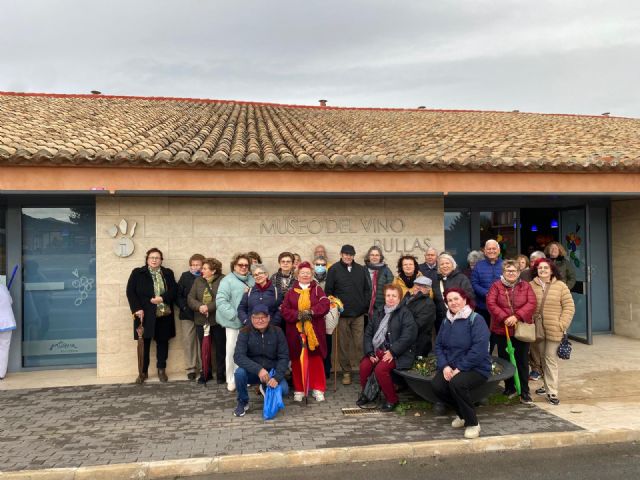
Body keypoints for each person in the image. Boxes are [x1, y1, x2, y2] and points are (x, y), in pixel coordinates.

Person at [432, 288, 491, 439]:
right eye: (449, 300)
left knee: (457, 383)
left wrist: (460, 368)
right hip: (452, 366)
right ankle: (462, 415)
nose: (453, 302)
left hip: (476, 367)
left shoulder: (476, 319)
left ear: (464, 300)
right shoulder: (446, 321)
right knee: (437, 386)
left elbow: (479, 349)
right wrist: (445, 366)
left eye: (456, 299)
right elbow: (438, 346)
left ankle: (473, 423)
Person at [357, 283, 417, 411]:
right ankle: (367, 394)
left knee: (381, 370)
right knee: (364, 366)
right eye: (388, 295)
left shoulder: (405, 313)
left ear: (399, 298)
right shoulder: (378, 312)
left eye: (394, 296)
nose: (390, 298)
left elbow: (408, 336)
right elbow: (368, 334)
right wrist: (370, 352)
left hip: (398, 353)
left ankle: (392, 399)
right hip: (377, 350)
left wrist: (392, 352)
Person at [486, 259, 537, 404]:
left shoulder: (526, 286)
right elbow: (491, 303)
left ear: (519, 272)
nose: (511, 273)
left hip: (521, 330)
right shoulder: (496, 286)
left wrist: (516, 316)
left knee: (522, 361)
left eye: (514, 271)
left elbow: (532, 303)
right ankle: (510, 388)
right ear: (503, 272)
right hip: (502, 330)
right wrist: (505, 318)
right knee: (505, 360)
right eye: (508, 270)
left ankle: (525, 391)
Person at [281, 261, 331, 401]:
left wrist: (311, 312)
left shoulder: (317, 290)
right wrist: (298, 315)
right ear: (298, 275)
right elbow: (284, 310)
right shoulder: (291, 292)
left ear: (312, 275)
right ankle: (299, 389)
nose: (305, 275)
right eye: (302, 273)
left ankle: (318, 388)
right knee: (297, 360)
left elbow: (325, 304)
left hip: (314, 331)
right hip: (295, 331)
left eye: (308, 273)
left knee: (315, 359)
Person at [126, 248, 177, 384]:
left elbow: (174, 290)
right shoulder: (137, 273)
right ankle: (143, 372)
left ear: (161, 260)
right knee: (144, 343)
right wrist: (136, 309)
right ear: (147, 259)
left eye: (157, 258)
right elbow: (130, 292)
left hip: (164, 313)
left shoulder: (168, 273)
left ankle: (161, 370)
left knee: (162, 342)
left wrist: (162, 298)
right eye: (151, 257)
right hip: (144, 314)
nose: (154, 260)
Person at [529, 258, 575, 405]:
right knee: (541, 358)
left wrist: (562, 324)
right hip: (537, 328)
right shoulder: (530, 286)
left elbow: (569, 307)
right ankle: (546, 385)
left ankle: (552, 392)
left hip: (554, 328)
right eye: (540, 268)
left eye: (546, 268)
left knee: (550, 358)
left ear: (551, 270)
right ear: (536, 270)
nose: (542, 270)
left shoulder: (561, 286)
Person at [325, 244, 371, 385]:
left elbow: (367, 289)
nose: (348, 256)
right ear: (341, 254)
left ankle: (365, 370)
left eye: (350, 254)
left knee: (360, 344)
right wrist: (335, 307)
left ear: (353, 255)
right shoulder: (333, 269)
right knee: (343, 345)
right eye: (346, 254)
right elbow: (328, 292)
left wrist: (364, 305)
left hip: (358, 315)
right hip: (342, 316)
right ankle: (346, 372)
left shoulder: (361, 270)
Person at [232, 304, 290, 417]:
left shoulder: (278, 332)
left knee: (284, 390)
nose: (260, 320)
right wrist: (258, 369)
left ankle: (265, 387)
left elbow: (284, 356)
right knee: (239, 373)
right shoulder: (244, 332)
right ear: (252, 318)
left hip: (272, 372)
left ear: (268, 318)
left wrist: (277, 377)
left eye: (263, 317)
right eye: (256, 317)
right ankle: (243, 401)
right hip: (253, 372)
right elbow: (238, 356)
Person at [215, 253, 255, 392]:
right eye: (240, 265)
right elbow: (221, 300)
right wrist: (234, 316)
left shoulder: (252, 279)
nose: (243, 267)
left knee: (246, 351)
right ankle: (231, 379)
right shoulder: (227, 280)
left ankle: (243, 378)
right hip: (233, 322)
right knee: (232, 350)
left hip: (248, 322)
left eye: (246, 265)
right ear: (234, 266)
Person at [188, 257, 225, 384]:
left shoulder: (223, 280)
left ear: (213, 271)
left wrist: (209, 307)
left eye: (204, 268)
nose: (201, 270)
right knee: (204, 348)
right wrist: (200, 307)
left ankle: (220, 374)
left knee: (220, 348)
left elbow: (222, 298)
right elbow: (190, 298)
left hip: (217, 320)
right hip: (201, 320)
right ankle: (206, 373)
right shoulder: (198, 280)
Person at [175, 253, 205, 381]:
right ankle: (191, 368)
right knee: (189, 341)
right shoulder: (185, 276)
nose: (195, 267)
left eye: (198, 265)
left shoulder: (206, 276)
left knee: (202, 341)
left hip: (203, 314)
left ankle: (203, 367)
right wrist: (184, 307)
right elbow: (178, 295)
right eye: (193, 265)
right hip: (187, 315)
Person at [471, 240, 503, 352]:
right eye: (489, 249)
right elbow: (474, 283)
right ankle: (485, 355)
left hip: (501, 308)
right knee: (483, 334)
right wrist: (488, 294)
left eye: (494, 248)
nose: (491, 251)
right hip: (482, 307)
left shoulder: (505, 265)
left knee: (499, 335)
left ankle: (500, 358)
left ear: (498, 250)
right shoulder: (478, 266)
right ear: (484, 251)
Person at [432, 253, 474, 333]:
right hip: (441, 321)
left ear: (453, 265)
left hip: (460, 318)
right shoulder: (436, 282)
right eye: (442, 264)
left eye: (447, 263)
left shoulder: (462, 278)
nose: (445, 266)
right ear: (439, 267)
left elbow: (470, 297)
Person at [522, 251, 546, 380]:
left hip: (546, 314)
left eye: (536, 262)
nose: (533, 264)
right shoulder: (525, 274)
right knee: (532, 343)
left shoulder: (549, 273)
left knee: (544, 344)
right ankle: (535, 368)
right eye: (531, 261)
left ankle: (543, 368)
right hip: (529, 314)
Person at [401, 276, 436, 357]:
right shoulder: (409, 298)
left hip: (418, 346)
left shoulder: (428, 304)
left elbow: (418, 325)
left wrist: (400, 327)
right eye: (416, 285)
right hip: (405, 341)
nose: (418, 287)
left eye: (422, 286)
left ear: (428, 289)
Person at [364, 246, 394, 319]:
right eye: (372, 255)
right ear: (368, 256)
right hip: (364, 309)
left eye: (377, 255)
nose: (374, 257)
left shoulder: (386, 271)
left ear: (380, 257)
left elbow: (390, 289)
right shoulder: (362, 270)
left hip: (381, 309)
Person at [0, 284, 16, 379]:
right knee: (4, 348)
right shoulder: (3, 287)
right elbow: (10, 301)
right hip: (7, 323)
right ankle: (1, 373)